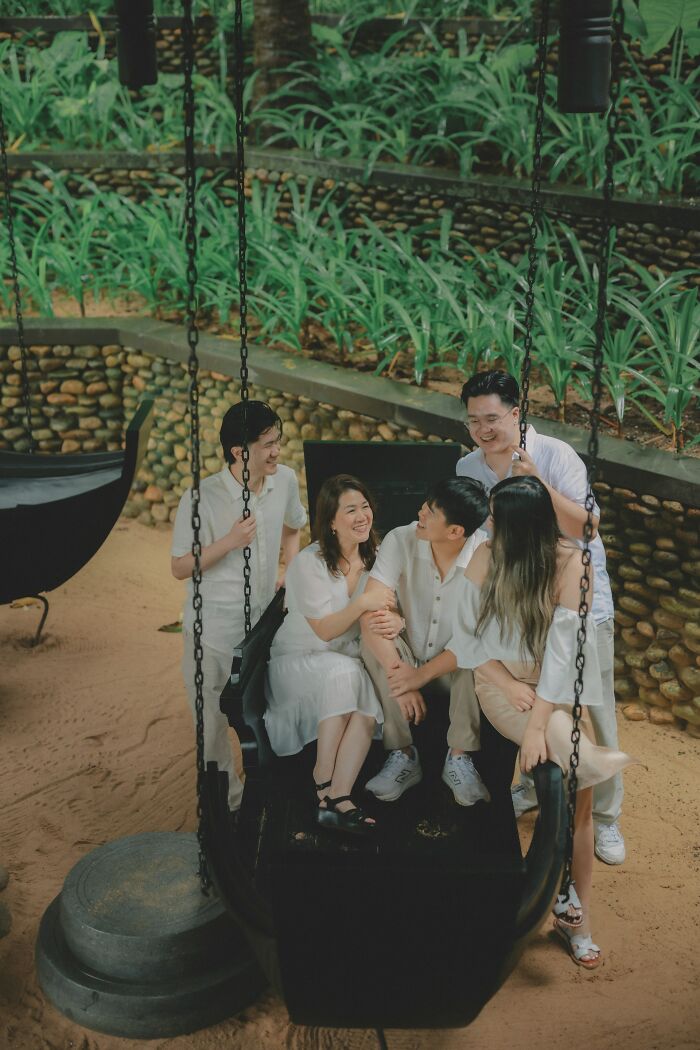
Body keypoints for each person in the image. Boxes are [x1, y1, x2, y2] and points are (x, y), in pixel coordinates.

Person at [449, 475, 634, 968]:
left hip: (554, 694)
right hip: (500, 682)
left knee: (578, 797)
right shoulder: (487, 556)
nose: (486, 525)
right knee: (579, 758)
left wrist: (539, 722)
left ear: (521, 527)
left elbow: (565, 652)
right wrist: (508, 686)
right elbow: (464, 639)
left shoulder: (569, 562)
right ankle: (591, 758)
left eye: (495, 517)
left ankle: (578, 915)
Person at [457, 369, 625, 865]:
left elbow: (589, 526)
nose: (483, 430)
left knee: (593, 709)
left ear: (515, 412)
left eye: (492, 418)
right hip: (519, 610)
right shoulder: (469, 465)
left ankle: (608, 818)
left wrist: (537, 484)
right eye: (473, 421)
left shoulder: (555, 454)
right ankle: (531, 785)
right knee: (534, 695)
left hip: (575, 598)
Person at [171, 400, 307, 814]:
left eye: (277, 441)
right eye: (267, 444)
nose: (276, 451)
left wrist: (291, 565)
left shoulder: (283, 479)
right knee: (212, 720)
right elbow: (179, 567)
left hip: (264, 624)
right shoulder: (200, 499)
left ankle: (269, 794)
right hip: (213, 628)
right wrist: (229, 542)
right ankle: (225, 806)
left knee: (268, 707)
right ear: (238, 451)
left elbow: (294, 523)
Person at [264, 475, 393, 836]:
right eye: (350, 510)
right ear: (332, 521)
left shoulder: (376, 556)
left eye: (365, 506)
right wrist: (364, 601)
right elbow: (323, 630)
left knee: (363, 706)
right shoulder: (310, 562)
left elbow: (392, 603)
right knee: (347, 676)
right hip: (299, 659)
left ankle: (337, 796)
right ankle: (323, 782)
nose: (362, 516)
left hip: (344, 659)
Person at [360, 478, 491, 806]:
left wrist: (419, 677)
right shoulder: (400, 538)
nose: (420, 512)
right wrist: (402, 679)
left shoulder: (484, 555)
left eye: (431, 512)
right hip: (405, 656)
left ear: (455, 532)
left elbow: (471, 639)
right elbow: (371, 606)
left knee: (479, 653)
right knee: (373, 634)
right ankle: (403, 753)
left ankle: (459, 756)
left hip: (452, 666)